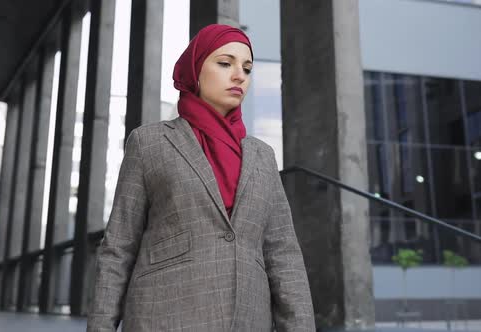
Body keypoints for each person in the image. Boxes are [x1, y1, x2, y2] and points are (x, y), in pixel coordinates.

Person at [87, 24, 315, 332]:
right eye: (225, 63)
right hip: (163, 317)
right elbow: (119, 246)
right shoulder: (149, 142)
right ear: (195, 69)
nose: (239, 76)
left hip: (247, 320)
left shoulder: (262, 155)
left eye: (247, 69)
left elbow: (283, 253)